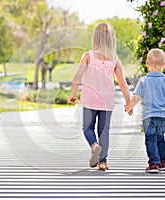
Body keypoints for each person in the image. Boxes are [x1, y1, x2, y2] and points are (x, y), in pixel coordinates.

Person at [68, 22, 132, 171]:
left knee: (87, 128)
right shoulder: (115, 59)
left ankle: (94, 145)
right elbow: (122, 83)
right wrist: (129, 103)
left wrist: (73, 93)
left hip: (90, 99)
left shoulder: (88, 56)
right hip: (107, 100)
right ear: (112, 39)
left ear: (95, 38)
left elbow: (78, 75)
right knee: (104, 130)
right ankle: (103, 162)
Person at [125, 48, 165, 173]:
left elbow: (136, 97)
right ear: (164, 65)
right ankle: (163, 162)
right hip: (163, 116)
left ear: (147, 64)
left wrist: (129, 107)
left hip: (149, 116)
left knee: (151, 138)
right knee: (160, 138)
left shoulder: (143, 80)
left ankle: (154, 163)